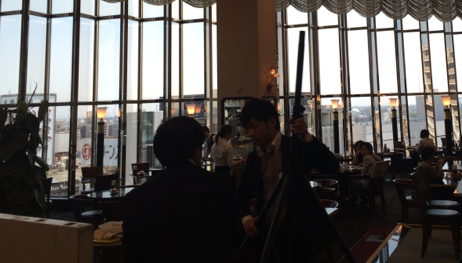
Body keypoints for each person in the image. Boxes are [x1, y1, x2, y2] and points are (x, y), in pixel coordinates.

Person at [122, 117, 237, 262]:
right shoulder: (220, 187)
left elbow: (131, 251)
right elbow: (229, 241)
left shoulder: (136, 198)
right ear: (196, 152)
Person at [237, 98, 339, 259]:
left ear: (272, 122)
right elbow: (242, 193)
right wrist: (246, 218)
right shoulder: (254, 158)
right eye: (248, 128)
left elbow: (332, 167)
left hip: (298, 235)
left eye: (254, 126)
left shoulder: (294, 148)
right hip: (266, 236)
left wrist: (306, 136)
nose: (251, 133)